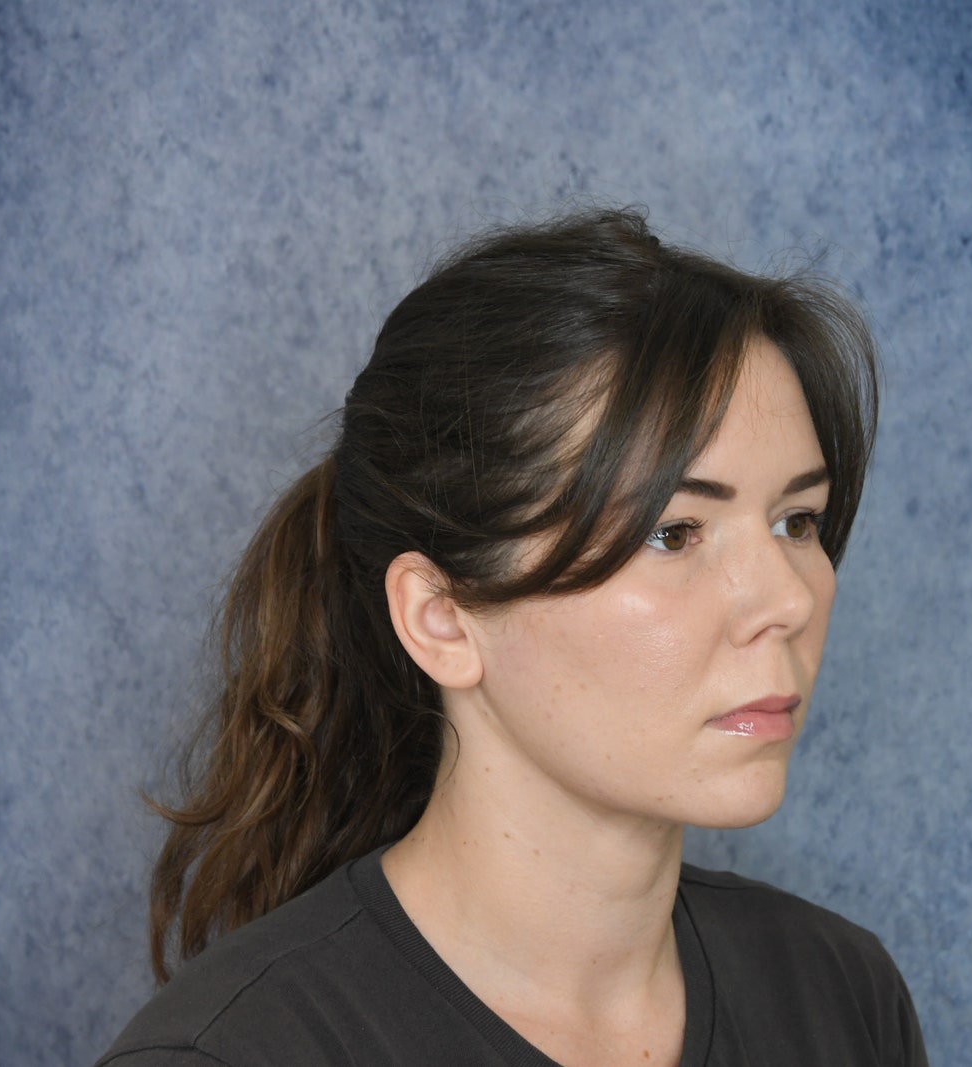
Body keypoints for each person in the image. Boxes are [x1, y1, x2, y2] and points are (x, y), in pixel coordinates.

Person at [96, 208, 927, 1066]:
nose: (788, 598)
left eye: (798, 520)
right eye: (673, 532)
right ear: (441, 615)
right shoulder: (236, 1053)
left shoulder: (841, 995)